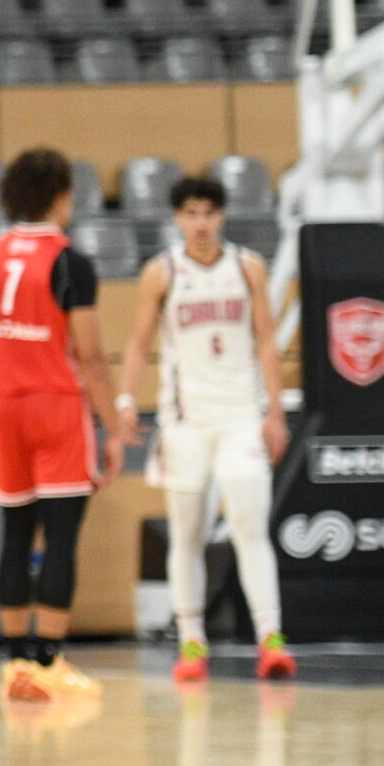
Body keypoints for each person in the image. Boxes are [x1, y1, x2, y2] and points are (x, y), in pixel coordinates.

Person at [117, 176, 296, 682]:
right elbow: (138, 344)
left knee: (251, 526)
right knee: (188, 532)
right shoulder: (162, 272)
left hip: (241, 418)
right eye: (191, 213)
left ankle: (271, 639)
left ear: (222, 216)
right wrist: (126, 398)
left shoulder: (247, 266)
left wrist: (275, 412)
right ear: (178, 218)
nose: (200, 223)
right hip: (186, 423)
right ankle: (192, 641)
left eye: (209, 213)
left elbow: (267, 342)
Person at [0, 148, 124, 704]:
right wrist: (113, 427)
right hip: (55, 406)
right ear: (61, 196)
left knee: (16, 535)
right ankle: (49, 664)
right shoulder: (68, 261)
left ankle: (14, 665)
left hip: (6, 406)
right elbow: (91, 355)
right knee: (60, 538)